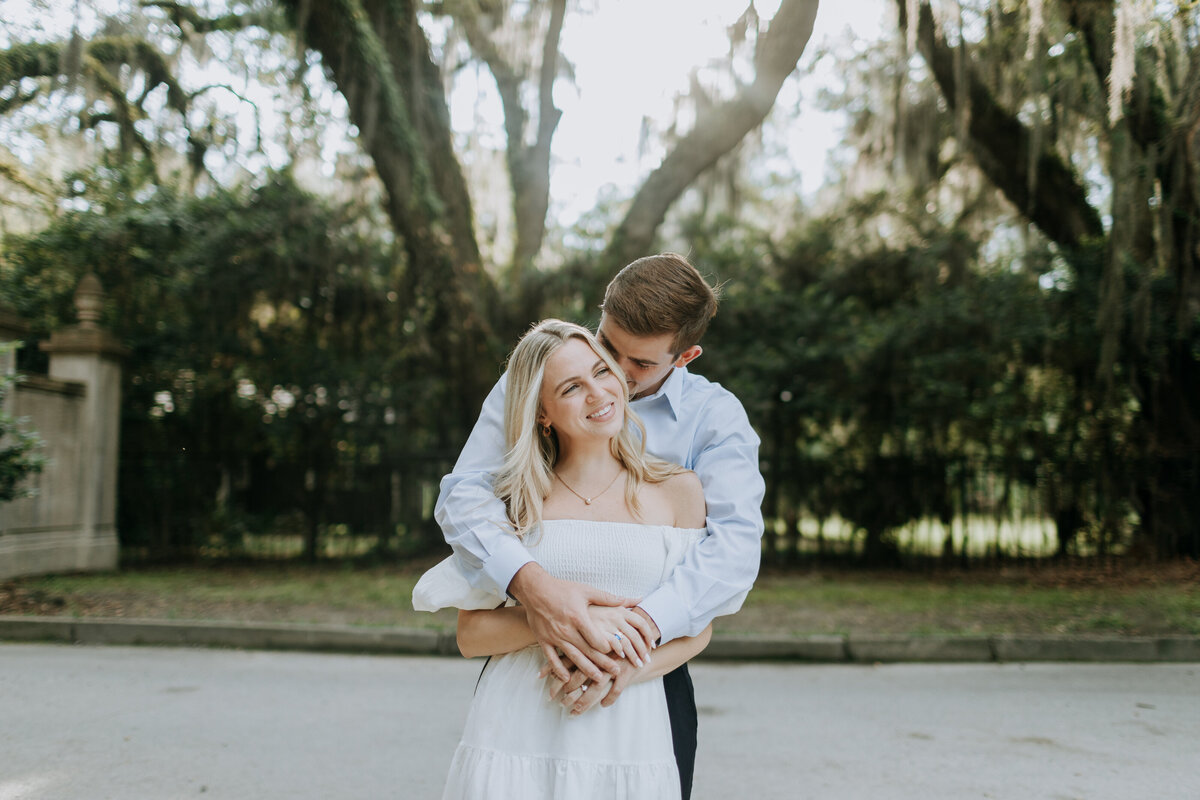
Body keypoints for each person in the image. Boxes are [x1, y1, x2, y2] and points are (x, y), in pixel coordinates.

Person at [434, 254, 765, 799]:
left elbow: (731, 557)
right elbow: (466, 493)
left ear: (685, 356)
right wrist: (535, 589)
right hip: (527, 679)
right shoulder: (546, 375)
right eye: (606, 344)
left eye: (636, 363)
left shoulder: (715, 419)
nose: (611, 375)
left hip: (648, 672)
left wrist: (629, 640)